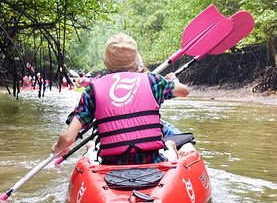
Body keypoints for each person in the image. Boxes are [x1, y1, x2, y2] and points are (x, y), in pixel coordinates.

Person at [51, 33, 189, 165]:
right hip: (152, 162)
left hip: (110, 166)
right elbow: (184, 91)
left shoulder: (92, 90)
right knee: (170, 144)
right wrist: (173, 79)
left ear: (107, 62)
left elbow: (68, 138)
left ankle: (91, 147)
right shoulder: (154, 81)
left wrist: (58, 148)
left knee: (91, 146)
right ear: (135, 60)